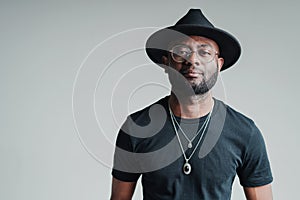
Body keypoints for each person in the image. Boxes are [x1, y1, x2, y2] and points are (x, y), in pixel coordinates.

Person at [110, 9, 273, 200]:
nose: (192, 60)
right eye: (181, 52)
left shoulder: (245, 133)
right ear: (166, 63)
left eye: (204, 52)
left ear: (219, 64)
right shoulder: (137, 128)